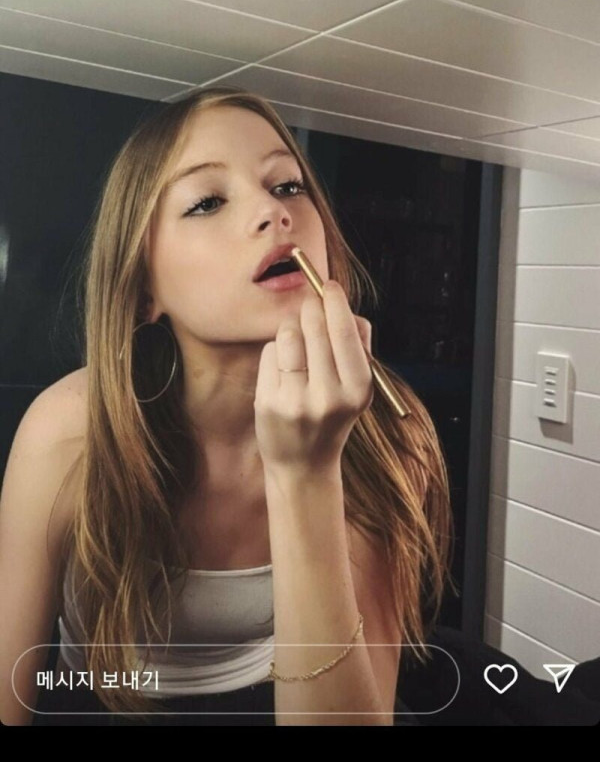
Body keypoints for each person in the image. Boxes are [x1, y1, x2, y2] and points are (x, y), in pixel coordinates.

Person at [1, 85, 455, 726]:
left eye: (288, 185)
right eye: (207, 201)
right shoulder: (70, 431)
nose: (273, 212)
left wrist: (307, 473)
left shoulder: (388, 436)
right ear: (143, 289)